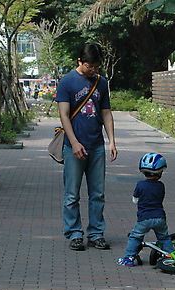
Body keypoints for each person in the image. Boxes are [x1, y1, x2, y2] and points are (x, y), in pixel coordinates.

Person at [55, 43, 117, 251]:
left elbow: (106, 113)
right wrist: (74, 142)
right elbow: (64, 115)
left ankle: (96, 233)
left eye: (97, 67)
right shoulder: (67, 82)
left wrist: (112, 141)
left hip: (96, 145)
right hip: (74, 146)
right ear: (79, 61)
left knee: (98, 193)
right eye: (90, 66)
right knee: (72, 194)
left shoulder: (101, 83)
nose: (93, 70)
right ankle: (74, 234)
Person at [117, 153, 174, 267]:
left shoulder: (140, 184)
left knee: (135, 236)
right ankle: (170, 256)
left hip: (144, 218)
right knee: (164, 237)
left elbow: (135, 199)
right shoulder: (161, 185)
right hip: (160, 217)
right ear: (160, 172)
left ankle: (129, 258)